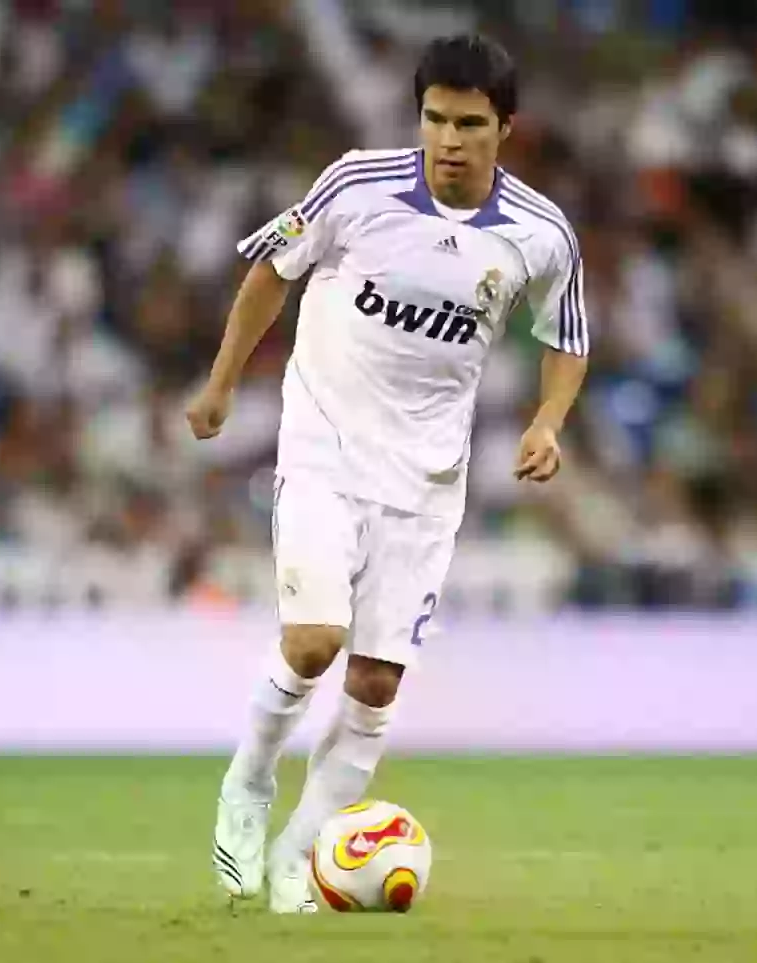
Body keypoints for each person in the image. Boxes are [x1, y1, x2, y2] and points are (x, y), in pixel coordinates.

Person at [186, 34, 590, 913]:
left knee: (374, 683)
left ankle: (301, 854)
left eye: (470, 123)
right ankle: (249, 780)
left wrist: (548, 422)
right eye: (435, 118)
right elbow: (270, 270)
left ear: (505, 129)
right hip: (325, 450)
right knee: (313, 642)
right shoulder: (356, 185)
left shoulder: (541, 233)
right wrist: (221, 384)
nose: (449, 137)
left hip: (428, 483)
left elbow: (569, 341)